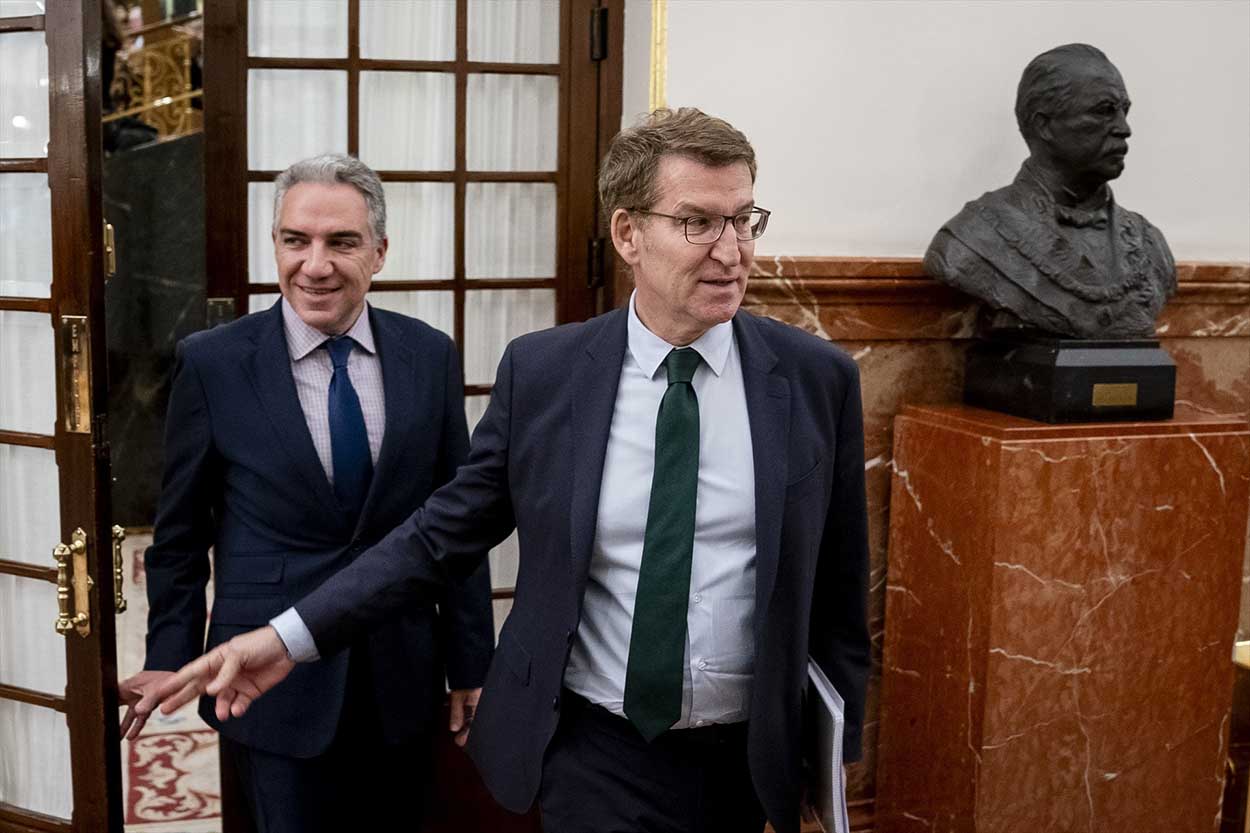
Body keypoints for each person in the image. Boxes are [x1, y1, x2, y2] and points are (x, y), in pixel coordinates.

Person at [147, 109, 870, 833]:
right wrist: (286, 637)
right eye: (698, 222)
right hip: (596, 747)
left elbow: (839, 591)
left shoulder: (815, 382)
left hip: (744, 757)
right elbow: (435, 538)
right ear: (628, 234)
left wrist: (837, 748)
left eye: (744, 220)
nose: (731, 250)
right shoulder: (546, 374)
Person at [118, 154, 494, 833]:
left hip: (401, 674)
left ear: (379, 251)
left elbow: (456, 525)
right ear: (277, 245)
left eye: (341, 242)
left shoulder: (430, 355)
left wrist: (471, 661)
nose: (314, 264)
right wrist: (168, 656)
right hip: (268, 682)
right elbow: (179, 536)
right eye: (296, 240)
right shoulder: (214, 362)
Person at [924, 43, 1176, 338]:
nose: (1124, 127)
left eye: (1124, 111)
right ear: (1044, 125)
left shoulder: (1150, 245)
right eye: (1104, 111)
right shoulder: (971, 241)